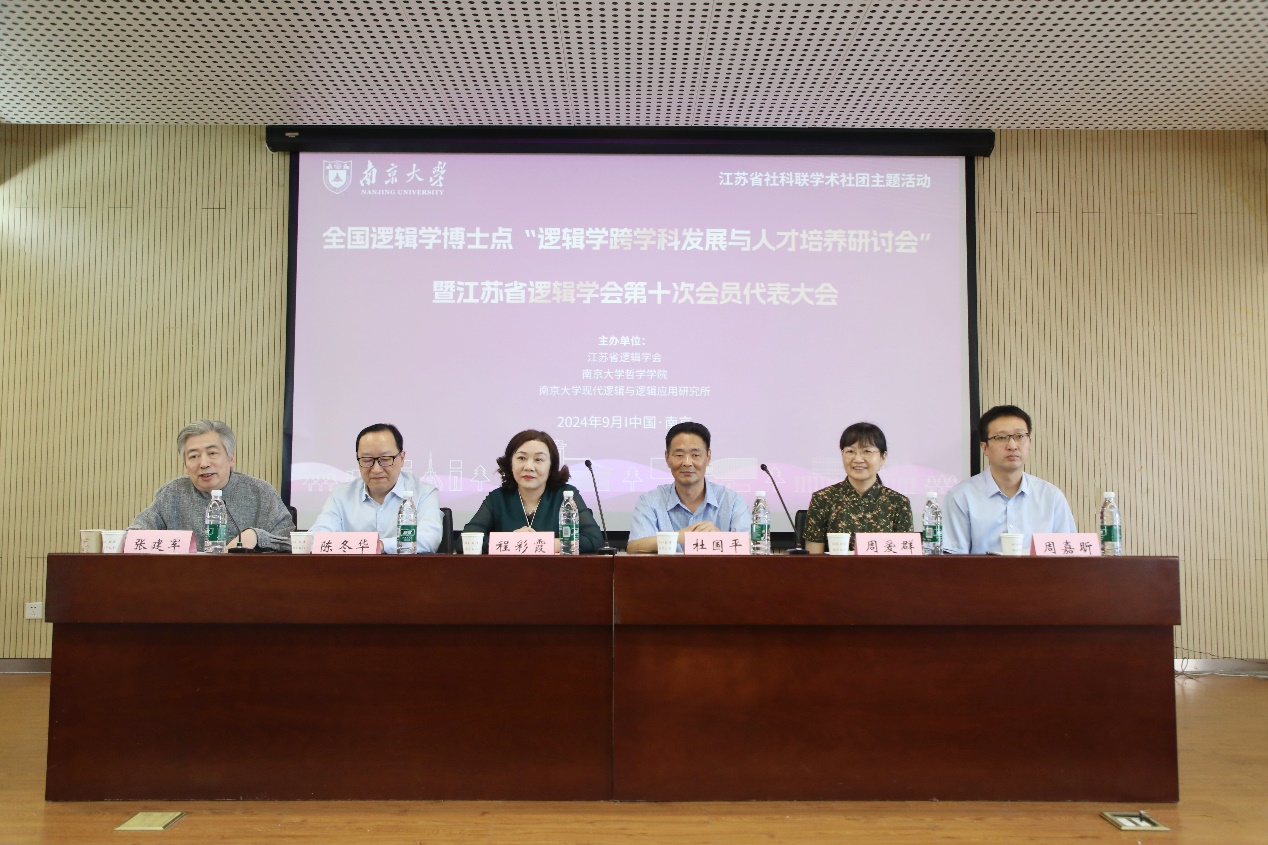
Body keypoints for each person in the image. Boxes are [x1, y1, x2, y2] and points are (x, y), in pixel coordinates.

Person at [130, 419, 294, 551]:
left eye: (212, 453)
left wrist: (257, 536)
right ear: (185, 466)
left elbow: (292, 542)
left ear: (231, 458)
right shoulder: (172, 494)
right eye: (194, 456)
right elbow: (135, 534)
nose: (204, 463)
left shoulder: (261, 493)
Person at [943, 405, 1077, 554]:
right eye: (1001, 438)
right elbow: (954, 560)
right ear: (985, 448)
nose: (1012, 446)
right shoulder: (961, 497)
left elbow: (1068, 555)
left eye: (1020, 436)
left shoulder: (1051, 497)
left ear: (1029, 443)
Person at [309, 423, 444, 553]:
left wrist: (379, 546)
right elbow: (316, 538)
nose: (376, 469)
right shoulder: (340, 495)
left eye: (385, 459)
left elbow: (429, 538)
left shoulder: (424, 493)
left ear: (402, 458)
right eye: (367, 460)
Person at [463, 429, 603, 553]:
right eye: (521, 458)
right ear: (510, 463)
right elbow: (466, 542)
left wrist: (543, 543)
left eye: (538, 459)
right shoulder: (497, 498)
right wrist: (512, 541)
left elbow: (595, 540)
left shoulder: (566, 496)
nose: (529, 467)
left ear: (551, 466)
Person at [627, 421, 751, 553]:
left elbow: (750, 546)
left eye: (695, 455)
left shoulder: (732, 501)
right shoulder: (650, 501)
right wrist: (679, 537)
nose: (687, 463)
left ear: (708, 457)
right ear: (667, 458)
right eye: (679, 455)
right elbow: (634, 547)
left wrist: (719, 537)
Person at [804, 422, 913, 553]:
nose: (857, 459)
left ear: (883, 457)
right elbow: (814, 559)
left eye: (867, 451)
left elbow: (905, 558)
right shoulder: (823, 499)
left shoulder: (898, 503)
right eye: (850, 451)